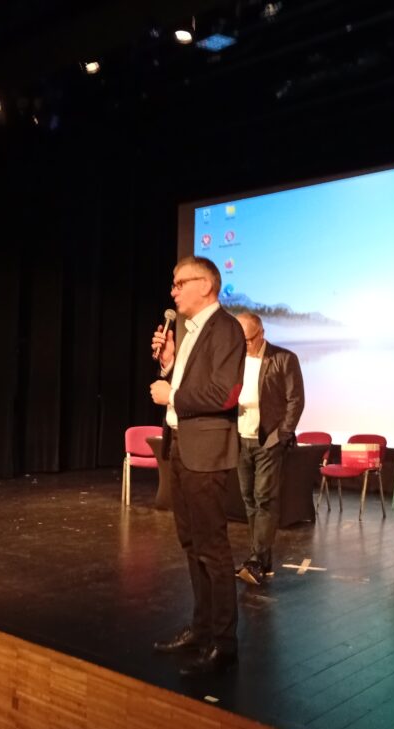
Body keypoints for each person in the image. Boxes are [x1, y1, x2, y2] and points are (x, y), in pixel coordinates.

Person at [149, 256, 245, 676]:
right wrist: (170, 364)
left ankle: (224, 643)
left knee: (213, 549)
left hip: (206, 454)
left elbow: (224, 394)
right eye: (173, 284)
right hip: (182, 449)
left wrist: (171, 394)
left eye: (179, 283)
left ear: (205, 285)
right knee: (191, 545)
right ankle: (202, 628)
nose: (173, 291)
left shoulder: (225, 329)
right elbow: (193, 384)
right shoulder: (191, 331)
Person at [234, 312, 305, 586]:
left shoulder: (283, 358)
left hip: (268, 440)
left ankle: (255, 560)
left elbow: (295, 399)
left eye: (248, 340)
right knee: (249, 499)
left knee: (264, 498)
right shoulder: (235, 358)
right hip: (240, 438)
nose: (244, 345)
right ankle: (261, 560)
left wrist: (282, 434)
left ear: (261, 334)